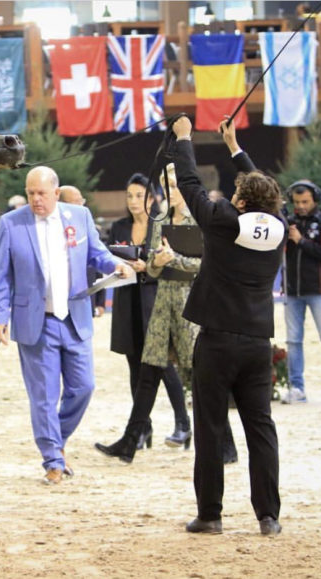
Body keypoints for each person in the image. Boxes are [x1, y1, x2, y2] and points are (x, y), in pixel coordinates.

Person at [172, 116, 286, 536]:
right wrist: (235, 147)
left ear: (240, 201)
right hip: (258, 342)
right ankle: (268, 517)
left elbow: (190, 186)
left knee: (210, 426)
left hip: (218, 341)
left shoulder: (225, 221)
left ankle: (210, 515)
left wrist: (184, 140)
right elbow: (265, 190)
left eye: (239, 192)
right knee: (261, 429)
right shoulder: (279, 226)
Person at [0, 166, 130, 485]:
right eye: (30, 193)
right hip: (35, 323)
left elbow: (97, 255)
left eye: (41, 193)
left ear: (57, 192)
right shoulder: (11, 224)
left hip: (75, 319)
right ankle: (53, 459)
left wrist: (116, 265)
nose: (35, 199)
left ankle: (57, 437)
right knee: (44, 396)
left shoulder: (79, 217)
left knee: (84, 387)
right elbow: (1, 276)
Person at [95, 163, 238, 464]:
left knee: (202, 379)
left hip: (189, 308)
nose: (169, 192)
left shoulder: (201, 218)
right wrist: (152, 264)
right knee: (147, 375)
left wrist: (175, 258)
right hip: (161, 306)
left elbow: (208, 265)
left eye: (174, 186)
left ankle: (227, 445)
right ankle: (130, 441)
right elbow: (156, 267)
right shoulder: (159, 220)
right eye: (166, 187)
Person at [107, 173, 190, 449]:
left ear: (152, 198)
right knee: (134, 366)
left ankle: (183, 424)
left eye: (139, 195)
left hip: (156, 302)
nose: (133, 201)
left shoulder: (163, 226)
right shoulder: (119, 227)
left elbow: (176, 265)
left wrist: (148, 268)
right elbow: (109, 259)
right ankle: (143, 428)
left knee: (163, 366)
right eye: (129, 195)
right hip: (127, 302)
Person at [281, 180, 321, 404]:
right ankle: (297, 387)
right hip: (292, 291)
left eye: (305, 201)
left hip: (318, 290)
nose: (301, 206)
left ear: (315, 199)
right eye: (297, 202)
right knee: (293, 341)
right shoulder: (288, 222)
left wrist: (301, 241)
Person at [58, 185, 106, 318]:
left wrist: (100, 302)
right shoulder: (51, 230)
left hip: (86, 300)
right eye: (76, 202)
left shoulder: (89, 228)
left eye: (82, 201)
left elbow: (98, 263)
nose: (82, 206)